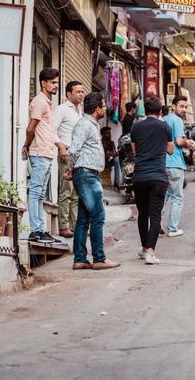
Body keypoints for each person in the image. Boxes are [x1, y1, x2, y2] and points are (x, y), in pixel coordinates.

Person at [64, 92, 120, 270]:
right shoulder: (85, 124)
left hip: (87, 174)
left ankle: (80, 259)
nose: (106, 108)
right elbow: (73, 150)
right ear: (97, 109)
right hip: (86, 175)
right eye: (104, 105)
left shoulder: (90, 124)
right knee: (98, 216)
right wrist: (70, 168)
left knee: (83, 219)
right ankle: (99, 258)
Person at [21, 68, 64, 244]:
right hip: (38, 152)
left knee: (40, 195)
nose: (55, 86)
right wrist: (26, 145)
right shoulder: (39, 102)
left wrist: (59, 145)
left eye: (56, 82)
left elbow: (46, 130)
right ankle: (35, 231)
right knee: (36, 192)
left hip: (46, 152)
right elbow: (31, 128)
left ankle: (40, 230)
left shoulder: (46, 103)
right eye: (53, 82)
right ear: (43, 83)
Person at [131, 97, 174, 265]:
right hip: (158, 177)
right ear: (160, 111)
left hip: (140, 176)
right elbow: (170, 150)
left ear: (145, 111)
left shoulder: (136, 126)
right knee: (155, 215)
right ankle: (151, 251)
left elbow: (135, 150)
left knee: (142, 214)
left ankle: (143, 248)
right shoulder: (165, 127)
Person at [54, 81, 84, 238]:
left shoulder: (79, 111)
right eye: (78, 92)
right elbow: (51, 130)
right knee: (66, 190)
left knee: (76, 193)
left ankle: (75, 225)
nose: (81, 94)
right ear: (68, 94)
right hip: (66, 154)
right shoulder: (61, 110)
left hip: (78, 155)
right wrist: (61, 147)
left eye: (82, 92)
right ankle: (64, 226)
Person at [162, 96, 195, 237]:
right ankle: (173, 229)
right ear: (173, 106)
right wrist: (189, 143)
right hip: (175, 163)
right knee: (177, 197)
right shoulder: (178, 121)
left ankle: (156, 223)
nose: (184, 109)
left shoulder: (164, 120)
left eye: (186, 107)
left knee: (165, 195)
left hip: (163, 163)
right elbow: (179, 141)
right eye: (181, 106)